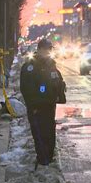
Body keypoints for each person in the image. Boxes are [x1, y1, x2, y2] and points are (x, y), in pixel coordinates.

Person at [20, 39, 66, 170]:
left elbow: (58, 82)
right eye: (45, 49)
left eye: (49, 49)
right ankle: (43, 161)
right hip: (36, 107)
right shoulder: (30, 66)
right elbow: (25, 87)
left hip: (49, 105)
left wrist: (59, 93)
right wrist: (32, 103)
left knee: (49, 132)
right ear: (39, 50)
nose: (47, 52)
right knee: (39, 133)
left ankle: (49, 160)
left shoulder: (52, 65)